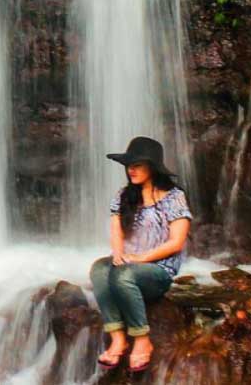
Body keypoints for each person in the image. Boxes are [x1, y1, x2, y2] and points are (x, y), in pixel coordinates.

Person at [89, 137, 192, 373]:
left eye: (137, 165)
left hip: (158, 271)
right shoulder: (124, 195)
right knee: (99, 269)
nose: (131, 170)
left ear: (152, 167)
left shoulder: (173, 197)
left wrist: (140, 259)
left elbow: (177, 242)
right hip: (130, 264)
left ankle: (142, 339)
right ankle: (117, 337)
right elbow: (116, 231)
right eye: (128, 165)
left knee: (122, 275)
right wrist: (118, 254)